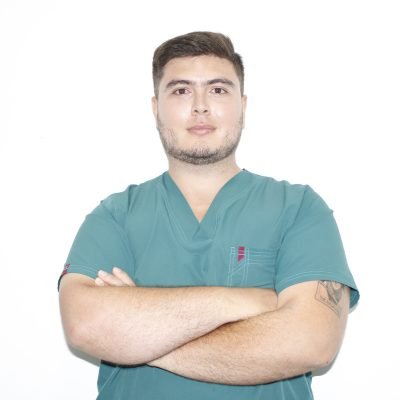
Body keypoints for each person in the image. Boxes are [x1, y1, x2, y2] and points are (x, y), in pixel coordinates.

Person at [58, 31, 359, 400]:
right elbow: (86, 326)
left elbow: (311, 342)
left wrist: (136, 338)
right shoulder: (115, 217)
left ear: (242, 106)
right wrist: (248, 301)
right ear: (156, 108)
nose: (200, 106)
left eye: (217, 90)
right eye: (181, 91)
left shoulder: (299, 209)